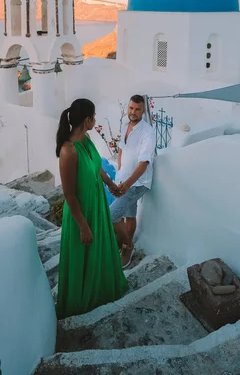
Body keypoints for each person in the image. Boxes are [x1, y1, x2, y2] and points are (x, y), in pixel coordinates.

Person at [56, 98, 129, 320]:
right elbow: (69, 194)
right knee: (83, 255)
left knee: (98, 250)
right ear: (87, 120)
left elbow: (97, 167)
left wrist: (111, 184)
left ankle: (100, 293)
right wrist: (83, 226)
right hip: (81, 213)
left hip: (96, 206)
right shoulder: (68, 151)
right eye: (94, 117)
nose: (95, 120)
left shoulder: (86, 140)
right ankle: (80, 303)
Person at [110, 95, 156, 268]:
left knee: (111, 215)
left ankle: (128, 246)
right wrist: (120, 174)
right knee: (129, 215)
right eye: (131, 108)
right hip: (124, 180)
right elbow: (121, 150)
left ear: (143, 110)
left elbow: (144, 164)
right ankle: (123, 245)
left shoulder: (147, 132)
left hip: (138, 183)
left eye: (137, 109)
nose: (133, 112)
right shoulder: (125, 126)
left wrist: (126, 185)